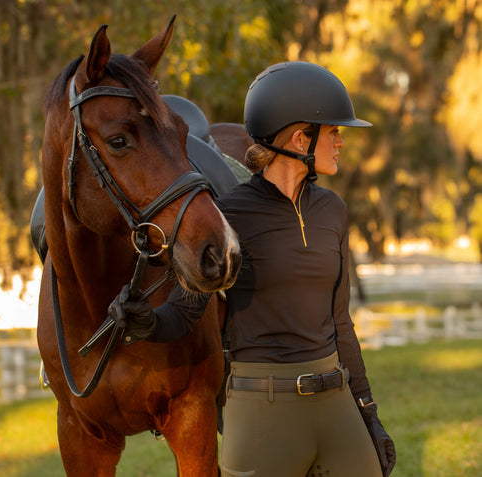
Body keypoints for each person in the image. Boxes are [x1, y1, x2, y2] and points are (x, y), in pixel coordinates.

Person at [109, 61, 396, 477]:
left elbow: (340, 322)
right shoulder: (230, 216)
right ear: (301, 138)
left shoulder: (333, 211)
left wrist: (367, 410)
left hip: (336, 402)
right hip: (262, 409)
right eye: (334, 131)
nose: (341, 141)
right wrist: (146, 323)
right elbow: (188, 310)